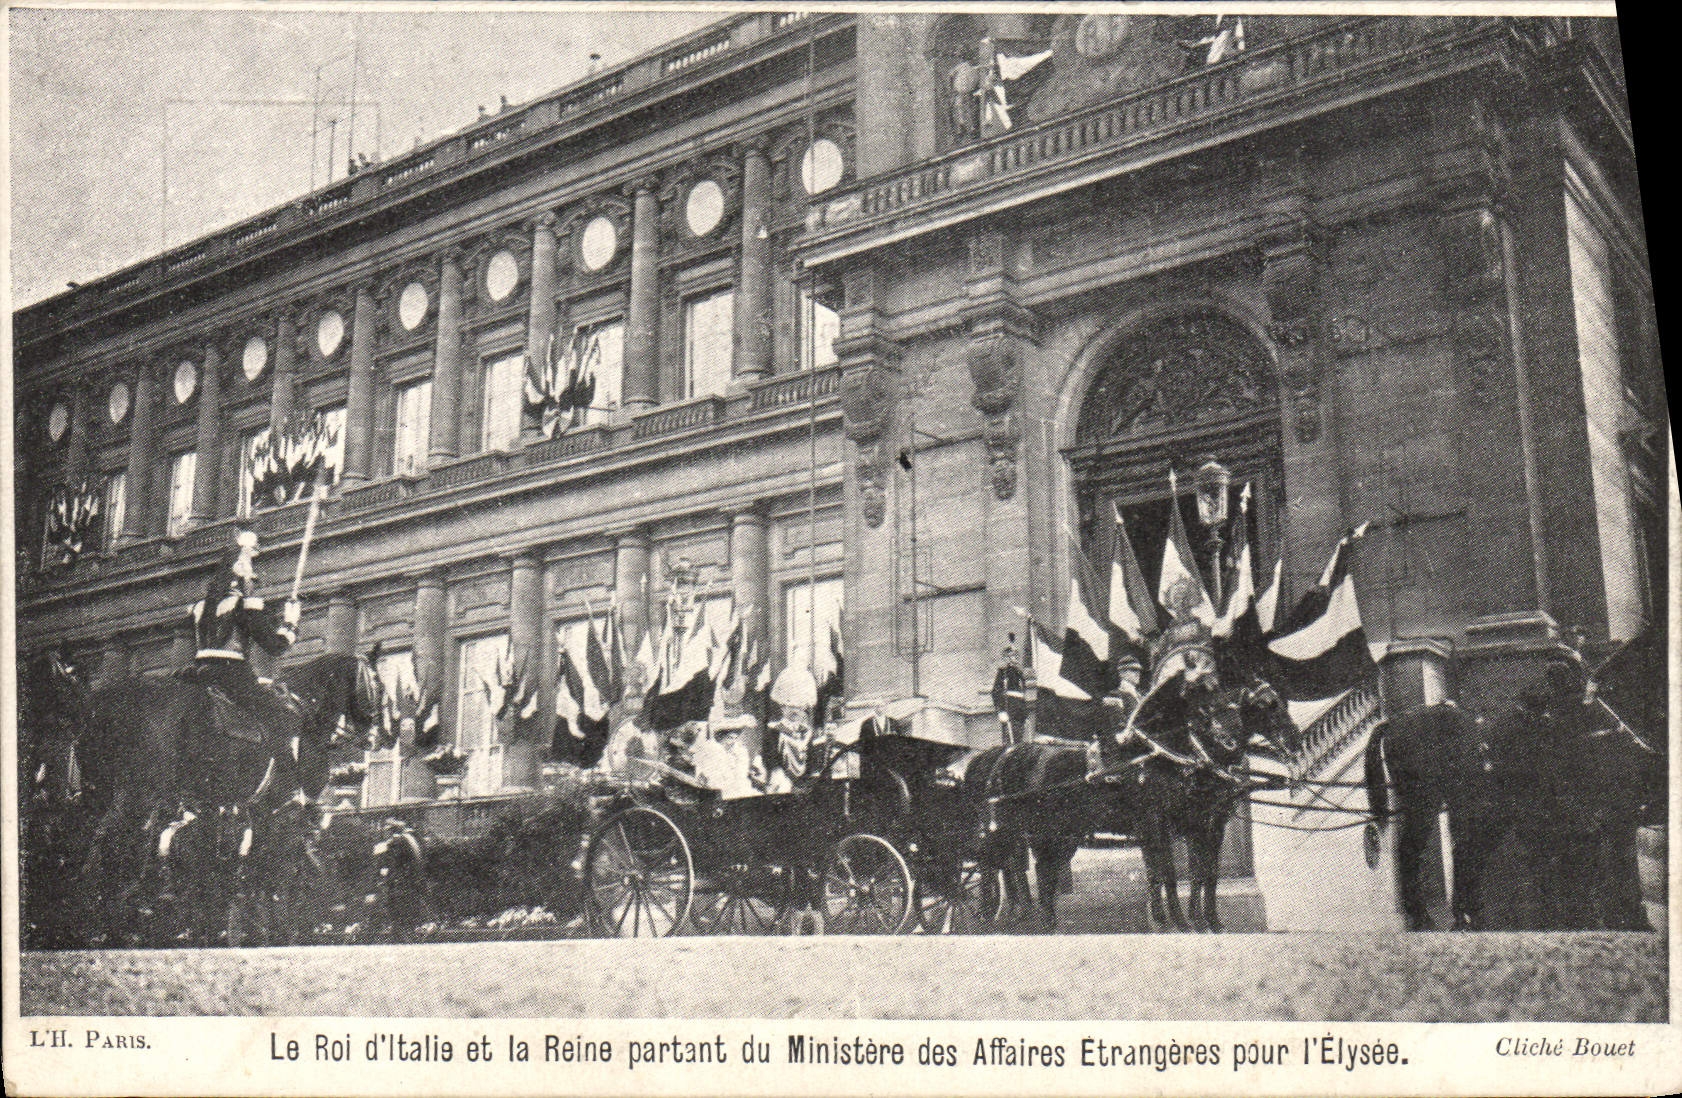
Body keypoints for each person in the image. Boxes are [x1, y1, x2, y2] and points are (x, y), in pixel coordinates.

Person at [187, 529, 301, 725]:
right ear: (241, 580)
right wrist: (290, 622)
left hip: (198, 673)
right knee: (280, 717)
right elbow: (274, 646)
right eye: (251, 578)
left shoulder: (200, 607)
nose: (253, 584)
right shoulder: (245, 606)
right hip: (232, 675)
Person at [692, 713, 765, 800]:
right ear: (722, 737)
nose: (732, 742)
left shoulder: (739, 751)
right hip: (717, 789)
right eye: (729, 738)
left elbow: (741, 775)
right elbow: (707, 775)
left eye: (735, 738)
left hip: (737, 788)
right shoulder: (712, 749)